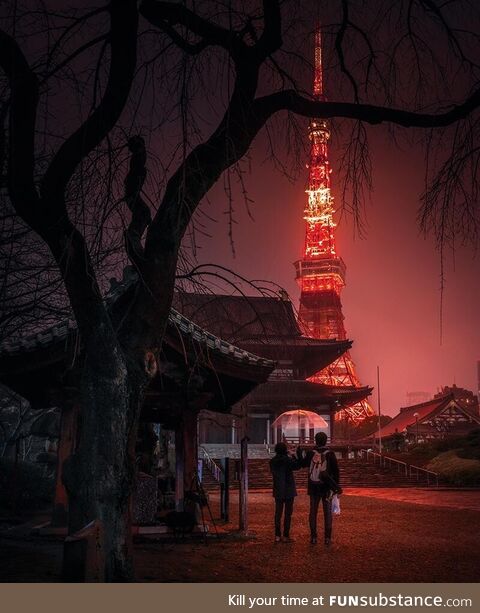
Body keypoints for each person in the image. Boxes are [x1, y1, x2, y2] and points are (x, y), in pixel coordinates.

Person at [297, 432, 342, 547]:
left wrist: (298, 452)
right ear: (326, 440)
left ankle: (313, 537)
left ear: (316, 441)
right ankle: (327, 538)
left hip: (313, 487)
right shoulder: (330, 454)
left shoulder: (311, 453)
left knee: (313, 512)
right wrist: (335, 487)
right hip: (326, 487)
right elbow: (336, 472)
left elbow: (302, 464)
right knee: (327, 513)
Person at [269, 442, 301, 543]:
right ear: (284, 450)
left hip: (278, 488)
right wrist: (292, 455)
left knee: (278, 513)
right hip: (289, 489)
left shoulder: (272, 461)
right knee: (288, 514)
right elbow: (297, 466)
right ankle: (286, 535)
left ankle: (277, 535)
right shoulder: (287, 460)